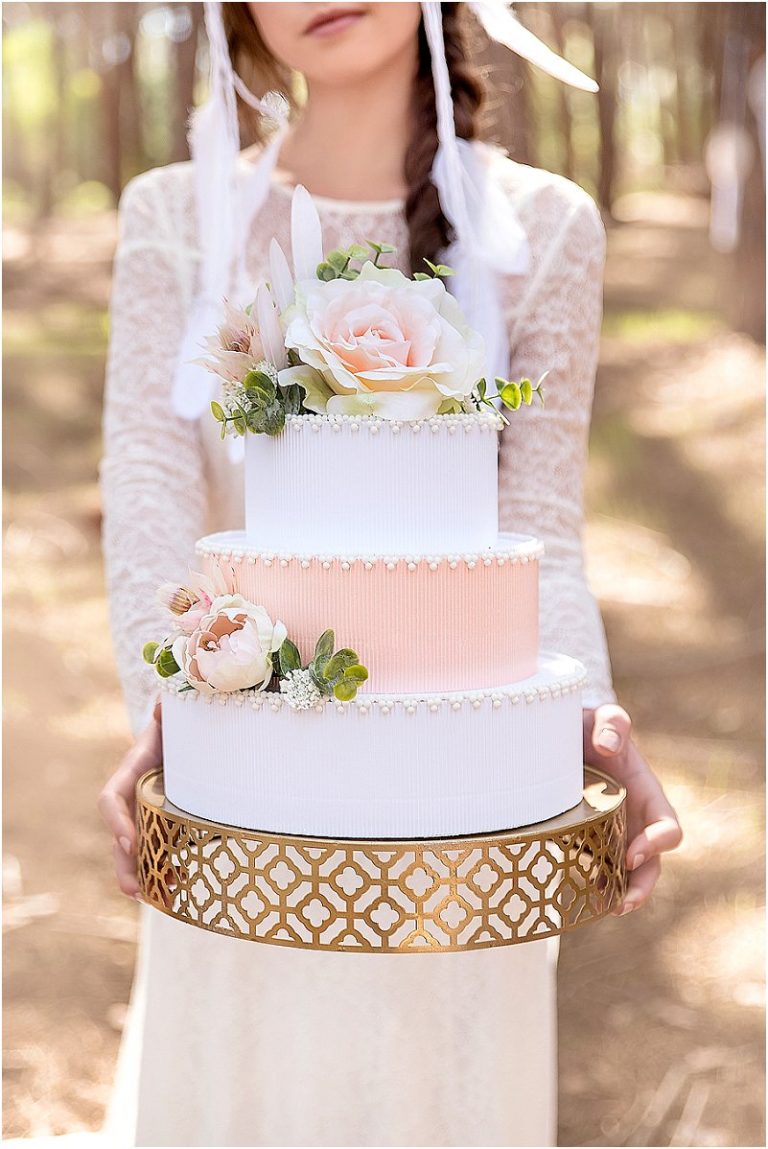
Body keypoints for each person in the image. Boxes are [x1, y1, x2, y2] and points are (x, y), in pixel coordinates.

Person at [98, 4, 682, 1145]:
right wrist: (182, 724)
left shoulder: (543, 228)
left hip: (459, 813)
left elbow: (541, 532)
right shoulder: (175, 217)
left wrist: (586, 728)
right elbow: (148, 495)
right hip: (247, 797)